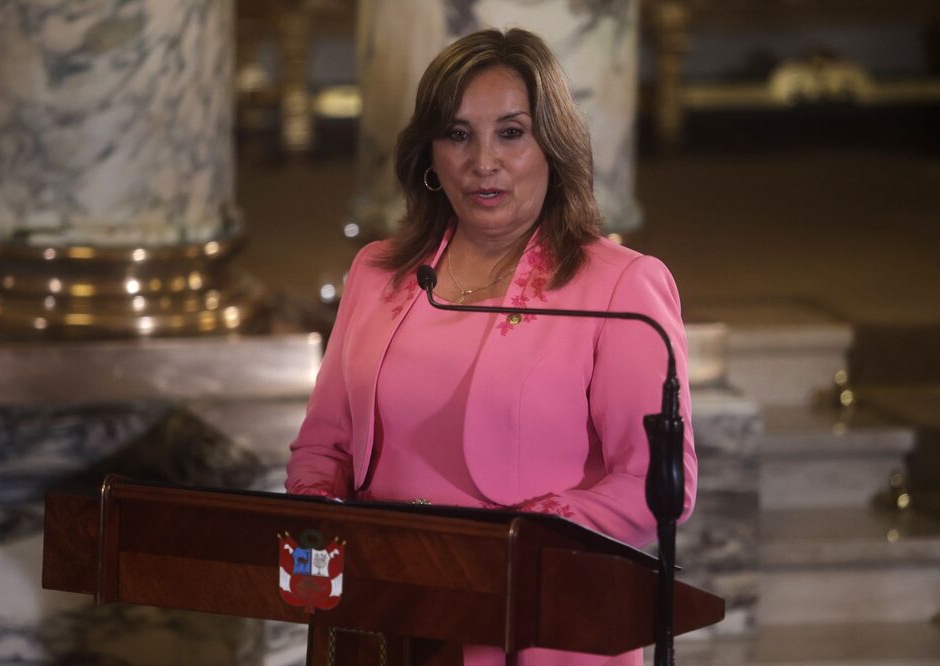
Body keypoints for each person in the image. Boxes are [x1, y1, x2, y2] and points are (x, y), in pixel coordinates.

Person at [286, 28, 697, 666]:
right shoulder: (379, 271)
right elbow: (323, 446)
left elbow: (652, 483)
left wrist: (512, 544)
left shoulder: (620, 284)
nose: (484, 161)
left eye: (511, 132)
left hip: (536, 625)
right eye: (457, 134)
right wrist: (318, 528)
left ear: (552, 147)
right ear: (429, 153)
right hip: (385, 625)